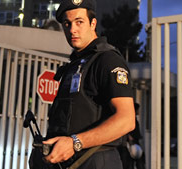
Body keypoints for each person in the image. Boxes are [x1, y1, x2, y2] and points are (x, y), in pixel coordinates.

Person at [39, 0, 136, 168]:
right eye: (67, 24)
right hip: (71, 163)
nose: (72, 30)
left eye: (79, 22)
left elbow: (126, 120)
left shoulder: (107, 60)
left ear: (93, 23)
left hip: (97, 160)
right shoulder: (76, 63)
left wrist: (75, 142)